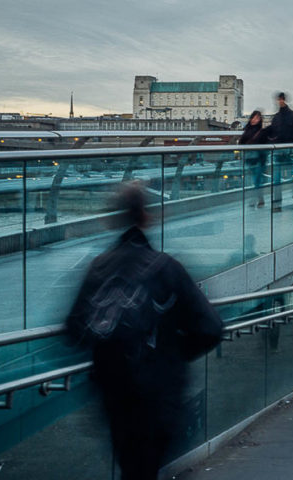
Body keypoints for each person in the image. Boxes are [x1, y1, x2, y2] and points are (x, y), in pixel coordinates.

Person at [65, 184, 223, 480]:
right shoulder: (167, 267)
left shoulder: (98, 268)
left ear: (112, 219)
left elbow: (74, 329)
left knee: (130, 466)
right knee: (149, 464)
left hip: (114, 391)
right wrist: (175, 353)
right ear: (147, 217)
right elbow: (210, 327)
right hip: (159, 392)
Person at [267, 92, 293, 212]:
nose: (279, 101)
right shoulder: (276, 117)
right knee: (276, 180)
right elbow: (271, 133)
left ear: (284, 100)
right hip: (278, 151)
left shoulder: (292, 116)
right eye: (278, 100)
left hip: (290, 151)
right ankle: (277, 204)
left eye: (281, 99)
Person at [239, 110, 268, 207]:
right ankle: (259, 199)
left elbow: (265, 146)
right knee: (254, 181)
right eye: (254, 117)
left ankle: (258, 200)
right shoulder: (247, 130)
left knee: (256, 181)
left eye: (257, 118)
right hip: (249, 159)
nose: (255, 120)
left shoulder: (261, 132)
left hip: (258, 160)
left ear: (260, 120)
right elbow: (241, 143)